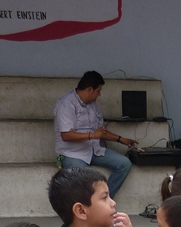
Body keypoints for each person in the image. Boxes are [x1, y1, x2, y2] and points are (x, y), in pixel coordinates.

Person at [53, 71, 136, 199]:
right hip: (72, 153)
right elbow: (66, 135)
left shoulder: (93, 105)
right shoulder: (66, 104)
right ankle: (94, 205)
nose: (99, 94)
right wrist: (92, 135)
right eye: (98, 90)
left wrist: (121, 139)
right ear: (89, 89)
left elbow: (100, 132)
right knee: (89, 177)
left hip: (94, 150)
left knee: (124, 164)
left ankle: (104, 200)